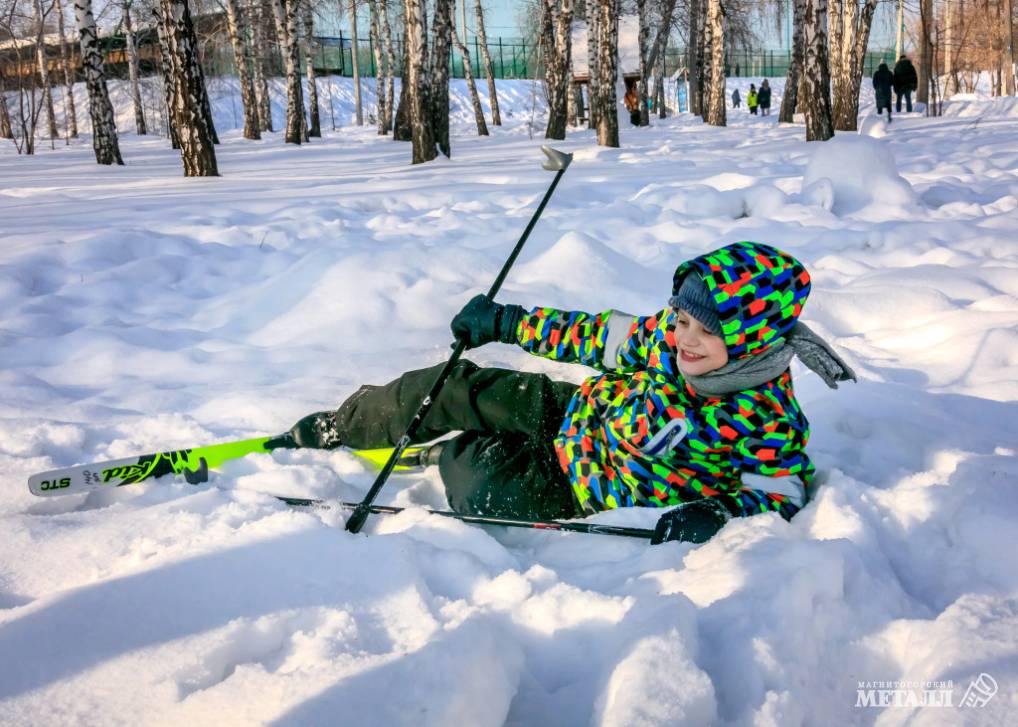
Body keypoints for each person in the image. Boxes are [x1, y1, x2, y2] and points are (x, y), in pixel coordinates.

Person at [288, 242, 856, 545]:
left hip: (582, 486)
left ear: (752, 337)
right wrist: (505, 322)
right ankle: (340, 426)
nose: (685, 339)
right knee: (450, 385)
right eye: (684, 319)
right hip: (574, 413)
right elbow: (592, 335)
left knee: (477, 481)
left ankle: (445, 449)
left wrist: (720, 512)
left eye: (708, 331)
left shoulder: (766, 416)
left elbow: (779, 490)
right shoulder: (666, 337)